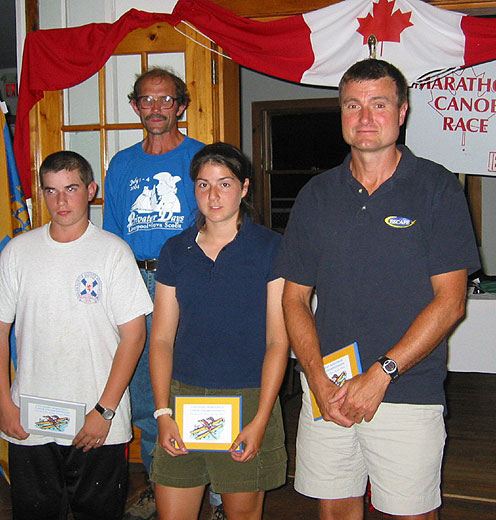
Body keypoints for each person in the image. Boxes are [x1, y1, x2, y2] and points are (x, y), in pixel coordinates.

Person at [273, 59, 481, 520]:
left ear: (402, 112)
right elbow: (294, 298)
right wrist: (316, 378)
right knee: (335, 511)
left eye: (379, 104)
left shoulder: (437, 188)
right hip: (329, 388)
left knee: (410, 514)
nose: (365, 117)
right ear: (341, 114)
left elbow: (451, 303)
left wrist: (382, 373)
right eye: (353, 105)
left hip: (407, 388)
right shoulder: (316, 195)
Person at [0, 151, 153, 520]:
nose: (61, 201)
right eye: (51, 191)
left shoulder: (114, 253)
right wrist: (4, 404)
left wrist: (104, 410)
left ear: (91, 190)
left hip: (96, 419)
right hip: (30, 419)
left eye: (71, 188)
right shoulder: (18, 252)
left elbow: (134, 337)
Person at [148, 142, 289, 519]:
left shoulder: (271, 247)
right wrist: (162, 412)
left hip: (249, 398)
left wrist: (260, 420)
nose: (213, 195)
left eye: (224, 184)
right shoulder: (175, 250)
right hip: (182, 398)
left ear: (244, 188)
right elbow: (160, 339)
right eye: (203, 185)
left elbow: (278, 341)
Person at [103, 67, 212, 519]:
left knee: (203, 387)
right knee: (148, 398)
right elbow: (111, 237)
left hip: (187, 281)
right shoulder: (122, 164)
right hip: (134, 282)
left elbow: (218, 222)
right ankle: (158, 485)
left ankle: (218, 495)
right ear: (135, 106)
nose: (156, 108)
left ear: (181, 105)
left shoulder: (201, 157)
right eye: (146, 100)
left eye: (166, 99)